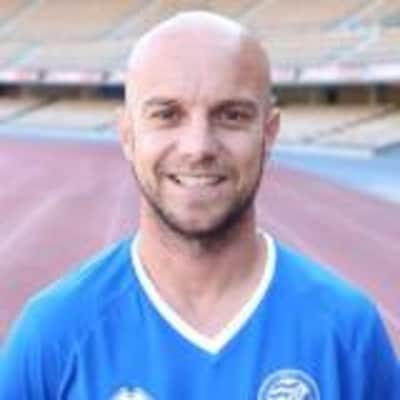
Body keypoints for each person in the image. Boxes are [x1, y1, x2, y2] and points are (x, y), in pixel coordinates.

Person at [0, 11, 398, 400]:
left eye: (232, 115)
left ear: (269, 133)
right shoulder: (53, 335)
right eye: (167, 114)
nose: (198, 147)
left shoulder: (348, 334)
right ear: (127, 134)